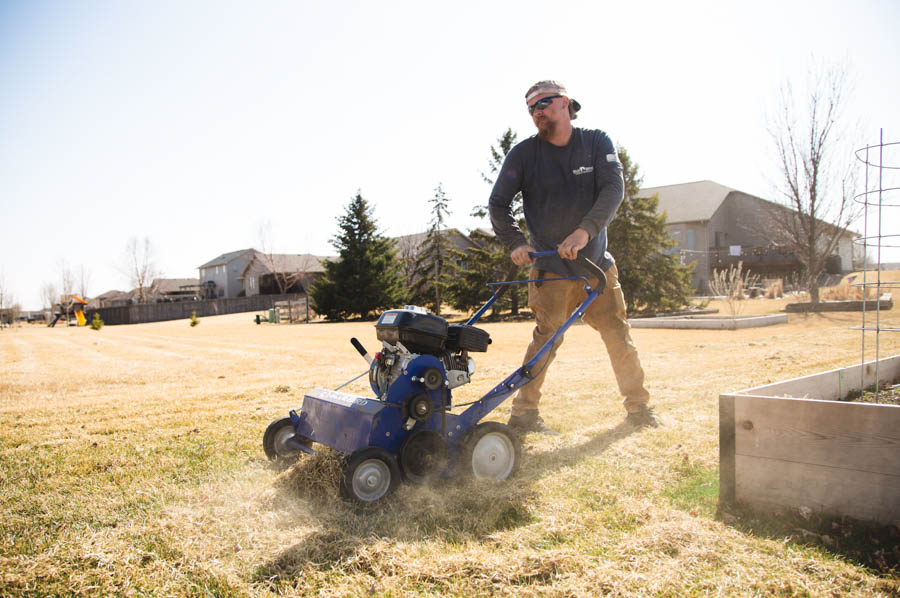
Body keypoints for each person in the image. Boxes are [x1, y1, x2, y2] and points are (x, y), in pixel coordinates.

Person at [488, 80, 659, 435]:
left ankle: (640, 409)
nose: (537, 111)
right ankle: (524, 416)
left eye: (544, 103)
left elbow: (614, 188)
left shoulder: (596, 142)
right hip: (551, 268)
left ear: (565, 103)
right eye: (531, 108)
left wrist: (585, 232)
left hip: (596, 267)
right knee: (546, 338)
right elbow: (498, 204)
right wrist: (516, 242)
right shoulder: (523, 155)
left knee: (617, 334)